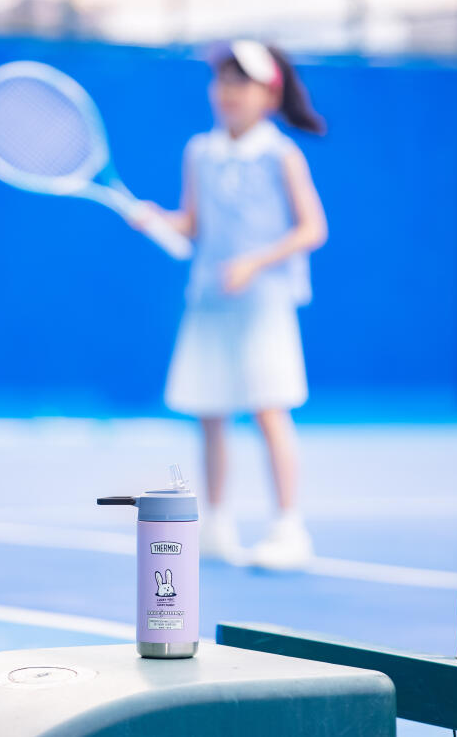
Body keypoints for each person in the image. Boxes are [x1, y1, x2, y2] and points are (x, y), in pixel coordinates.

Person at [138, 40, 328, 570]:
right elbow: (192, 224)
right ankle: (216, 525)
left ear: (269, 94)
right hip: (209, 300)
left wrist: (255, 263)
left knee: (269, 410)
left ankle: (289, 529)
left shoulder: (282, 155)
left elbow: (313, 229)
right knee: (211, 411)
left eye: (241, 81)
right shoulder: (199, 151)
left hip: (263, 304)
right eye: (222, 80)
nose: (228, 91)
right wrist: (156, 219)